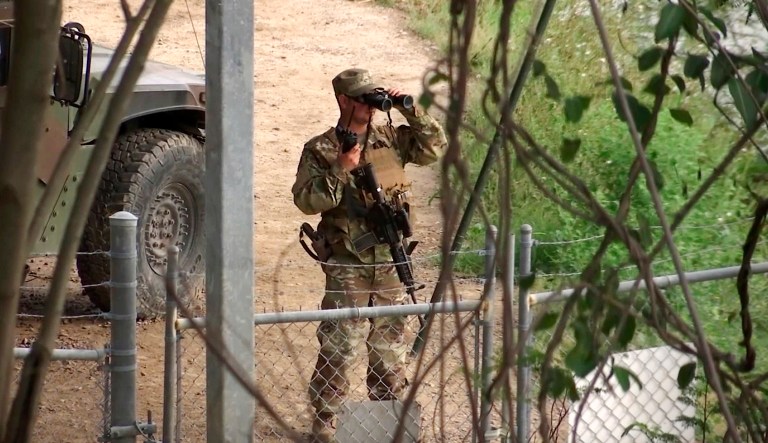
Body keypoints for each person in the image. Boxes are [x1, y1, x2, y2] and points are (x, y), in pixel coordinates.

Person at [291, 67, 447, 442]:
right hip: (349, 263)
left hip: (391, 257)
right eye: (362, 99)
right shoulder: (321, 149)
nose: (369, 106)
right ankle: (326, 420)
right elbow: (306, 201)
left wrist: (408, 107)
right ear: (344, 100)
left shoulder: (389, 138)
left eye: (372, 98)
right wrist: (340, 171)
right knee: (339, 345)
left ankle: (386, 416)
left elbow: (434, 147)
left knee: (388, 346)